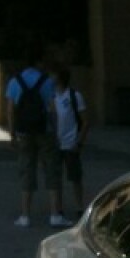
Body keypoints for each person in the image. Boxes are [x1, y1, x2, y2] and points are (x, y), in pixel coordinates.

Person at [5, 51, 65, 229]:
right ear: (39, 63)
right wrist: (56, 131)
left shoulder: (15, 81)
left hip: (24, 132)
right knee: (51, 171)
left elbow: (10, 110)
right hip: (44, 131)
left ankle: (25, 215)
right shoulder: (47, 81)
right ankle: (55, 214)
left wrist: (12, 133)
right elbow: (53, 109)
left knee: (26, 170)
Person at [51, 65, 89, 216]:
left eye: (53, 75)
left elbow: (85, 121)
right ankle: (58, 208)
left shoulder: (74, 96)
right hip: (54, 144)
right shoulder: (51, 96)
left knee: (75, 177)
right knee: (55, 178)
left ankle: (79, 207)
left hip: (70, 143)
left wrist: (79, 142)